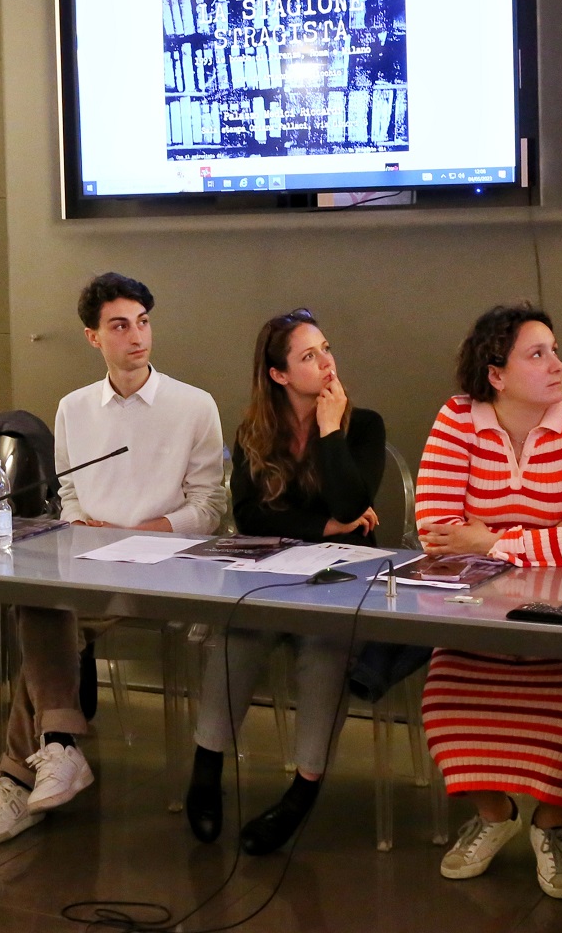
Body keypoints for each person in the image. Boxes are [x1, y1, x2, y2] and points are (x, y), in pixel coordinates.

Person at [0, 272, 227, 846]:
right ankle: (55, 750)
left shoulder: (193, 405)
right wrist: (84, 529)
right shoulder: (74, 407)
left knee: (44, 610)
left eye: (143, 322)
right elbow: (70, 497)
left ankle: (20, 774)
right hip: (87, 560)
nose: (136, 337)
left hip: (165, 561)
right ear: (93, 337)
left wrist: (137, 533)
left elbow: (209, 508)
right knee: (42, 598)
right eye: (120, 326)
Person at [415, 305, 562, 901]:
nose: (558, 365)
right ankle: (494, 814)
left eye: (555, 351)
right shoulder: (457, 419)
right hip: (476, 612)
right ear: (497, 374)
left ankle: (551, 825)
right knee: (446, 706)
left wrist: (490, 538)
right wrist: (552, 527)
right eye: (538, 355)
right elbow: (436, 531)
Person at [186, 309, 385, 854]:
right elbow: (251, 518)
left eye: (326, 349)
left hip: (340, 579)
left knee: (324, 651)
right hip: (271, 573)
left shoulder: (362, 426)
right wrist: (324, 526)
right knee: (236, 633)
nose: (326, 363)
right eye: (308, 356)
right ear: (279, 374)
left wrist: (327, 430)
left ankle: (302, 791)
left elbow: (353, 501)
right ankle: (207, 767)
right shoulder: (255, 429)